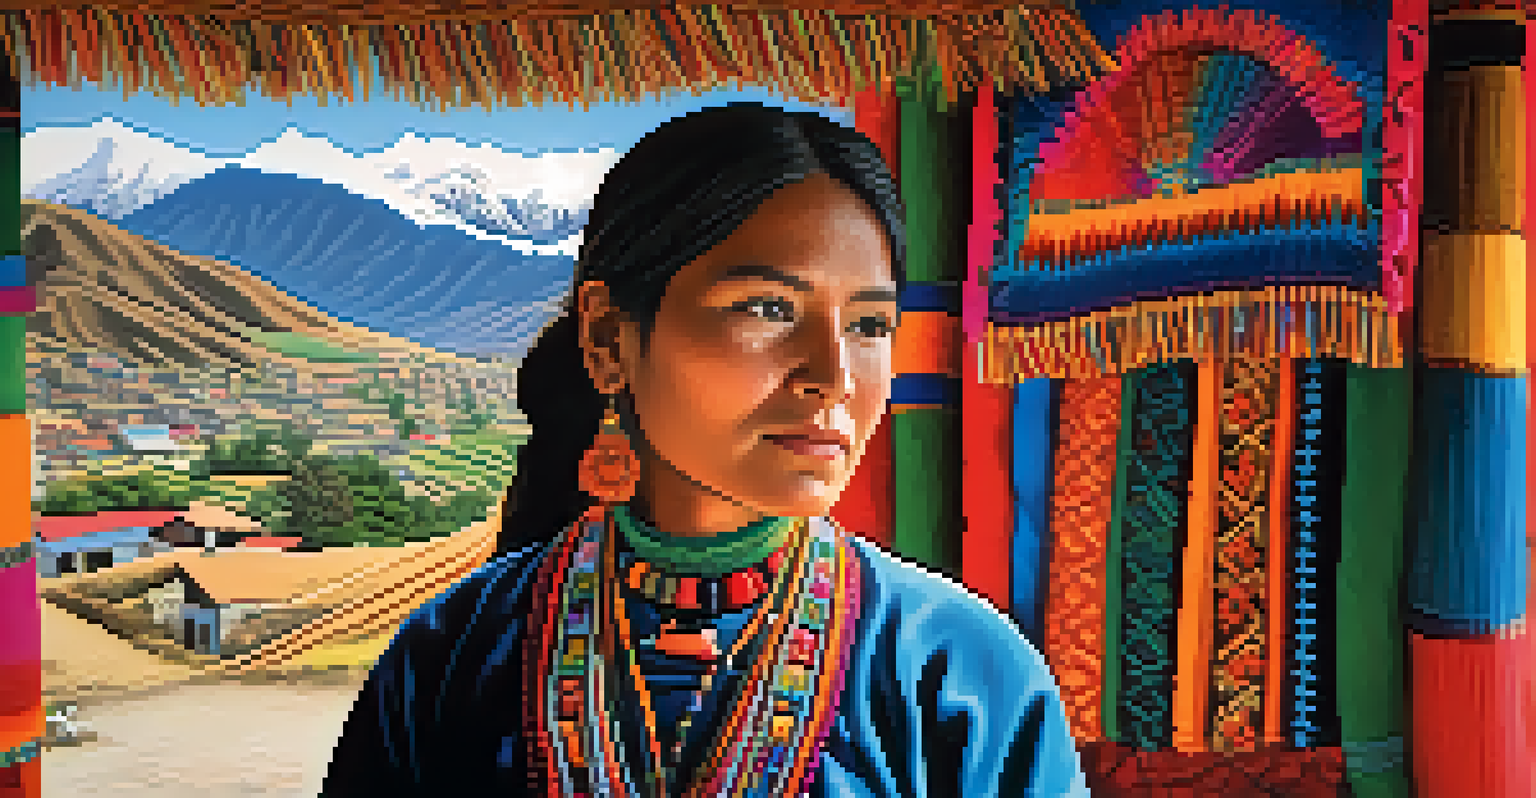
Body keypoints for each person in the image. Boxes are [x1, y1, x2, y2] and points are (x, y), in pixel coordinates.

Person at [321, 102, 1089, 797]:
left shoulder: (960, 674)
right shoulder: (453, 658)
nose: (831, 377)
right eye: (767, 309)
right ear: (608, 341)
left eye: (868, 326)